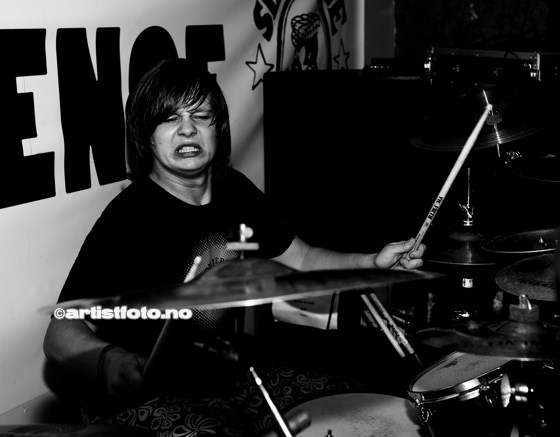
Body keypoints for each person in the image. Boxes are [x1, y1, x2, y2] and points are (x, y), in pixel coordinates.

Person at [43, 58, 426, 436]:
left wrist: (372, 262)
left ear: (218, 127)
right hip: (150, 395)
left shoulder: (236, 190)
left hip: (233, 377)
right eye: (170, 119)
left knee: (358, 404)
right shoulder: (128, 217)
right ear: (145, 135)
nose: (188, 130)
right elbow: (59, 334)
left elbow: (303, 258)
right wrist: (108, 360)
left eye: (201, 116)